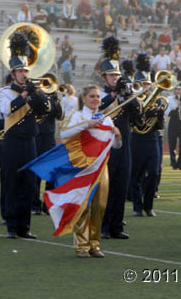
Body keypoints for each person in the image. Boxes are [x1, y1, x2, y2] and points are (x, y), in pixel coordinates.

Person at [0, 33, 50, 239]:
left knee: (29, 184)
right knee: (12, 183)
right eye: (21, 71)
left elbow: (45, 109)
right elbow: (8, 110)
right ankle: (11, 225)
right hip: (12, 143)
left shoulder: (32, 91)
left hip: (30, 142)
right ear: (13, 73)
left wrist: (38, 93)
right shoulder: (4, 92)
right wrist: (25, 94)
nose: (25, 74)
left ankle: (25, 227)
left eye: (26, 70)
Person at [59, 84, 121, 257]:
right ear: (84, 98)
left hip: (101, 166)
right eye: (92, 96)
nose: (96, 99)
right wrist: (87, 124)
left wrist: (117, 134)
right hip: (83, 166)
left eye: (98, 96)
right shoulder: (77, 116)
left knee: (100, 206)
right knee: (83, 206)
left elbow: (116, 146)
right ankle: (82, 245)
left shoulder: (106, 118)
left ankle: (95, 244)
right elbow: (64, 133)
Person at [99, 36, 143, 239]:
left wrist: (129, 95)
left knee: (121, 186)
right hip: (105, 147)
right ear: (103, 78)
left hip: (124, 146)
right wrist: (115, 95)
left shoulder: (126, 94)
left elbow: (138, 116)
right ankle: (104, 225)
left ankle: (117, 226)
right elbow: (98, 110)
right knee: (105, 188)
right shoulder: (99, 94)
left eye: (117, 75)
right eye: (111, 75)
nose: (115, 78)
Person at [130, 54, 163, 217]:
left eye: (148, 84)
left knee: (154, 173)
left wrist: (160, 113)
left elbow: (160, 126)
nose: (146, 87)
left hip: (152, 139)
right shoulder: (131, 101)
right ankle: (137, 206)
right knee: (135, 174)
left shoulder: (157, 101)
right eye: (142, 84)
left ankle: (148, 205)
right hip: (136, 139)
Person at [32, 88, 64, 215]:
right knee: (36, 173)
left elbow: (60, 116)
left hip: (49, 139)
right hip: (35, 137)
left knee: (51, 173)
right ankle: (35, 204)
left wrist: (56, 100)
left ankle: (48, 204)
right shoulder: (35, 98)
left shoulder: (52, 100)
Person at [166, 72, 181, 170]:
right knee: (172, 144)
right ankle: (173, 163)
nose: (178, 91)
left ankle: (179, 163)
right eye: (176, 89)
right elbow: (167, 112)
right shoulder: (170, 99)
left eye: (180, 89)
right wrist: (175, 108)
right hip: (173, 122)